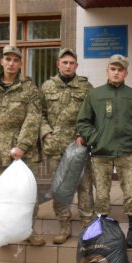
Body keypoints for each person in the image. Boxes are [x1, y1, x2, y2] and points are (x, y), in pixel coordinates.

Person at [0, 45, 45, 246]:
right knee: (2, 195)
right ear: (1, 61)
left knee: (26, 193)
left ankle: (29, 231)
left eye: (15, 60)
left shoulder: (30, 88)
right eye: (8, 59)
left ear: (21, 63)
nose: (11, 63)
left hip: (25, 151)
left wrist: (22, 146)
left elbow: (33, 119)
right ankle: (4, 234)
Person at [76, 54, 132, 248]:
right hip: (101, 153)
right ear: (107, 71)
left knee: (130, 193)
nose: (116, 73)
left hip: (127, 152)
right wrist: (95, 138)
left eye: (120, 70)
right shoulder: (95, 95)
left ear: (126, 73)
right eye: (113, 69)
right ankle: (103, 230)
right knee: (102, 195)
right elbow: (83, 121)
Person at [40, 48, 95, 244]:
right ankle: (64, 227)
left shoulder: (86, 87)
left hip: (78, 146)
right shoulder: (47, 87)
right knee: (60, 189)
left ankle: (88, 228)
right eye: (65, 62)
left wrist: (84, 135)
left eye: (72, 63)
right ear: (58, 64)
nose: (68, 66)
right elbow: (39, 114)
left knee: (84, 187)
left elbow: (92, 115)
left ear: (76, 66)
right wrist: (46, 133)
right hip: (55, 148)